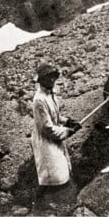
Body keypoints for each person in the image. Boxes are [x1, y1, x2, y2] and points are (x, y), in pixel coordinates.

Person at [32, 63, 81, 196]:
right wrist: (69, 131)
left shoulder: (50, 94)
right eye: (48, 77)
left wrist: (67, 121)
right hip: (46, 140)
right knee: (52, 174)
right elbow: (48, 129)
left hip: (55, 136)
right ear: (41, 80)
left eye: (54, 77)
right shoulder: (39, 100)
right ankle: (44, 202)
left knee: (60, 170)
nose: (52, 80)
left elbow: (55, 116)